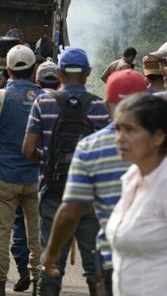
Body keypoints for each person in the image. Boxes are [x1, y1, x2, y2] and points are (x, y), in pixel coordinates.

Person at [42, 69, 147, 296]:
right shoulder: (158, 143)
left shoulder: (90, 147)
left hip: (116, 260)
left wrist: (51, 253)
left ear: (107, 104)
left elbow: (70, 211)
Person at [23, 47, 110, 296]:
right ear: (88, 73)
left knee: (50, 265)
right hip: (90, 197)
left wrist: (49, 159)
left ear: (59, 72)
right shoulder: (99, 107)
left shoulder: (43, 102)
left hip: (52, 192)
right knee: (95, 269)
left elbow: (28, 150)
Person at [0, 45, 44, 296]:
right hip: (36, 178)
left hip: (4, 176)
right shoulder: (45, 98)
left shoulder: (0, 97)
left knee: (0, 233)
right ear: (34, 70)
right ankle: (40, 281)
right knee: (37, 234)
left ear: (8, 70)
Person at [104, 92, 167, 296]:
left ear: (158, 136)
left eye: (130, 130)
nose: (120, 138)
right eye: (118, 129)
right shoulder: (131, 178)